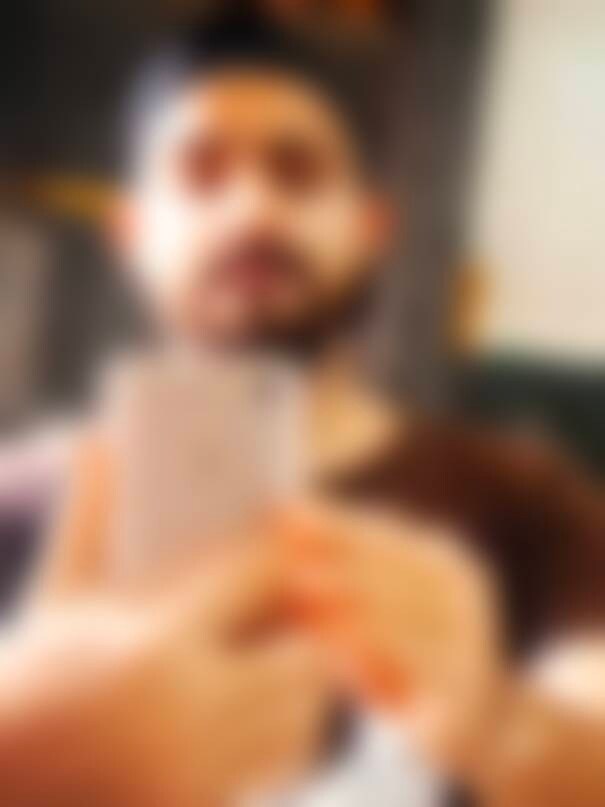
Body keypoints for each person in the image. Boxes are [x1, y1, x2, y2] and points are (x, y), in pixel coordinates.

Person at [2, 9, 604, 806]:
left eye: (297, 171)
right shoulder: (17, 502)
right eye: (201, 173)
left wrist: (500, 726)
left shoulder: (526, 500)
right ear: (131, 232)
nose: (252, 209)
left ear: (371, 226)